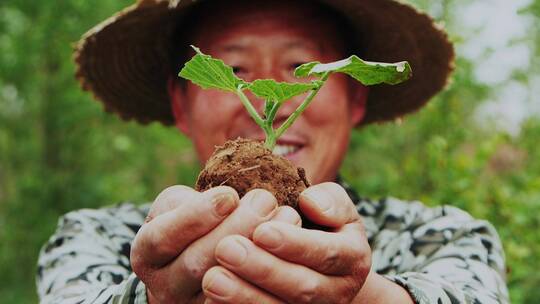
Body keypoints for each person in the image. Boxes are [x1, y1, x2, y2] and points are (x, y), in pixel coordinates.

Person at [37, 0, 509, 303]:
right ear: (180, 103)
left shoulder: (442, 235)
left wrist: (364, 293)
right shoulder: (96, 237)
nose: (270, 97)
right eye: (235, 67)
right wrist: (152, 296)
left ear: (356, 99)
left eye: (303, 66)